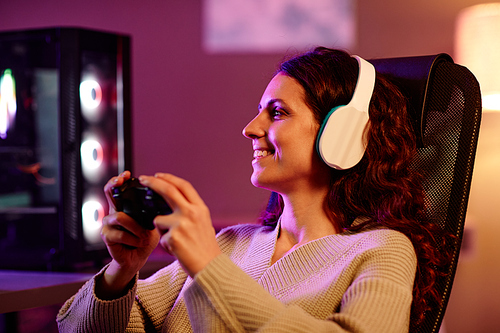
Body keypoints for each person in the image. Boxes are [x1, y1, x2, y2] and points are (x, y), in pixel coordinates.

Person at [57, 47, 450, 332]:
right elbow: (75, 327)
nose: (250, 128)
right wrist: (122, 271)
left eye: (277, 112)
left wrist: (211, 269)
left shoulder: (382, 250)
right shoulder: (232, 244)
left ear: (341, 134)